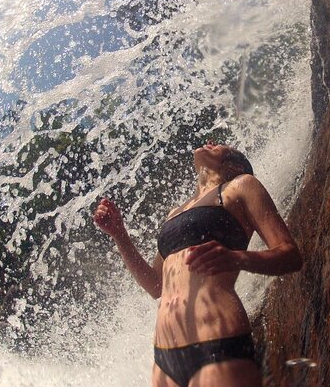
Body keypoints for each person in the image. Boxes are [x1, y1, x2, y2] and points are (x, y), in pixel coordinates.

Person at [93, 141, 303, 387]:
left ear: (234, 164)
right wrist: (120, 236)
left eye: (221, 145)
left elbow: (290, 255)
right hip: (164, 357)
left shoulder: (242, 186)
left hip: (217, 340)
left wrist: (237, 258)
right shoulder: (175, 213)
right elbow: (155, 285)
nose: (211, 143)